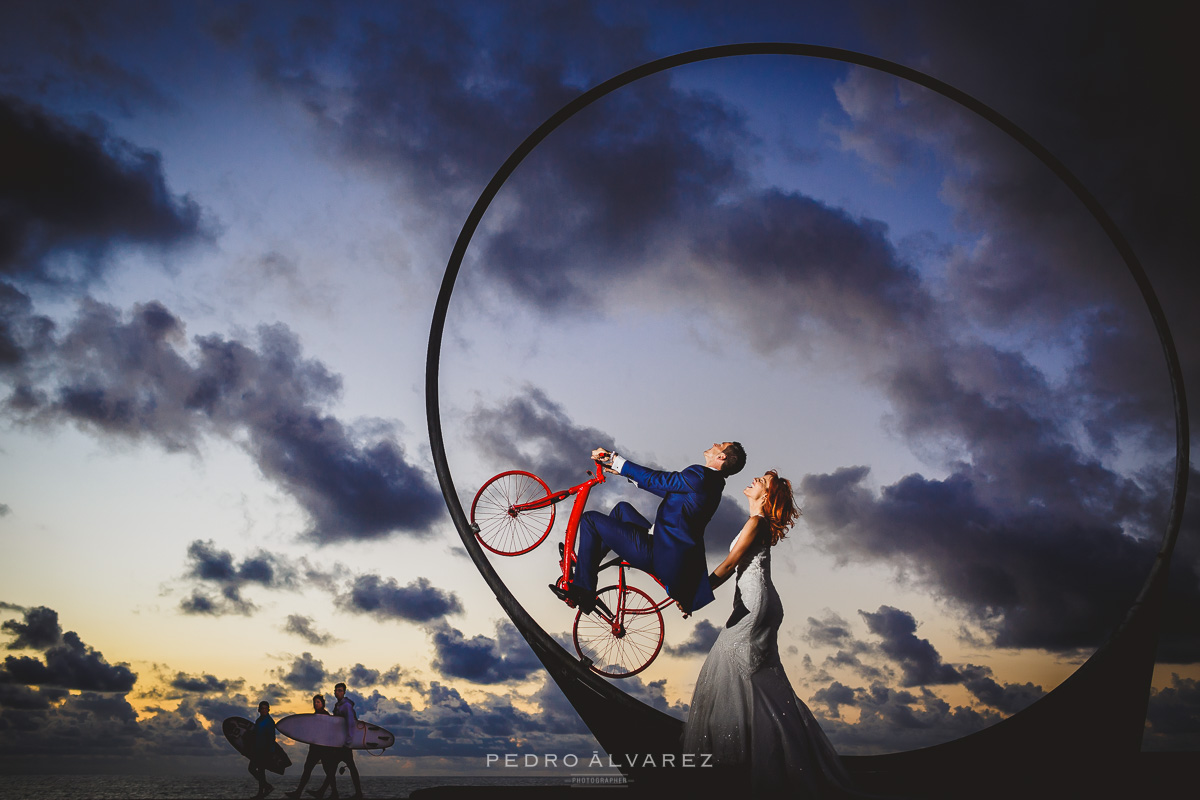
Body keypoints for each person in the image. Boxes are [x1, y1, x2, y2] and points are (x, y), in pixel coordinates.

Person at [682, 470, 863, 797]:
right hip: (757, 604)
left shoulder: (757, 523)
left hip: (755, 606)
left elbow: (728, 565)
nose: (753, 481)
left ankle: (758, 764)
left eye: (761, 481)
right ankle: (776, 757)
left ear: (766, 496)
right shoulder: (754, 522)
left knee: (730, 669)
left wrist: (695, 596)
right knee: (759, 683)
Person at [558, 441, 746, 615]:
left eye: (720, 445)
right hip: (664, 546)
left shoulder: (701, 476)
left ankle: (584, 592)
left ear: (721, 457)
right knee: (622, 509)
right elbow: (668, 490)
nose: (714, 444)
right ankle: (586, 563)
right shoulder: (712, 483)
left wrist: (615, 460)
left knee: (590, 519)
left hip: (659, 555)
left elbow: (659, 480)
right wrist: (624, 473)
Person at [310, 682, 363, 799]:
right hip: (339, 743)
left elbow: (350, 724)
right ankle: (331, 793)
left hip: (345, 744)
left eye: (340, 690)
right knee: (334, 768)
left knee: (343, 768)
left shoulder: (346, 706)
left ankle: (354, 793)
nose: (337, 692)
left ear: (344, 692)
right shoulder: (338, 705)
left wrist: (348, 743)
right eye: (336, 690)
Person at [284, 694, 337, 800]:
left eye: (318, 702)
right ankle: (298, 793)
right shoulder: (314, 715)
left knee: (326, 771)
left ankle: (334, 793)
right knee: (308, 769)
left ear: (322, 703)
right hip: (315, 748)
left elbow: (327, 731)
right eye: (314, 702)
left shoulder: (325, 715)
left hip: (323, 748)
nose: (316, 704)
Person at [249, 700, 276, 799]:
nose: (264, 710)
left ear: (268, 710)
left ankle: (262, 792)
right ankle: (266, 787)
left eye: (266, 708)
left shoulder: (269, 722)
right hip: (257, 749)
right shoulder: (259, 720)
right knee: (253, 769)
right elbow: (255, 736)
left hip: (264, 750)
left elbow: (272, 738)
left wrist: (271, 752)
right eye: (262, 708)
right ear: (259, 710)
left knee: (260, 771)